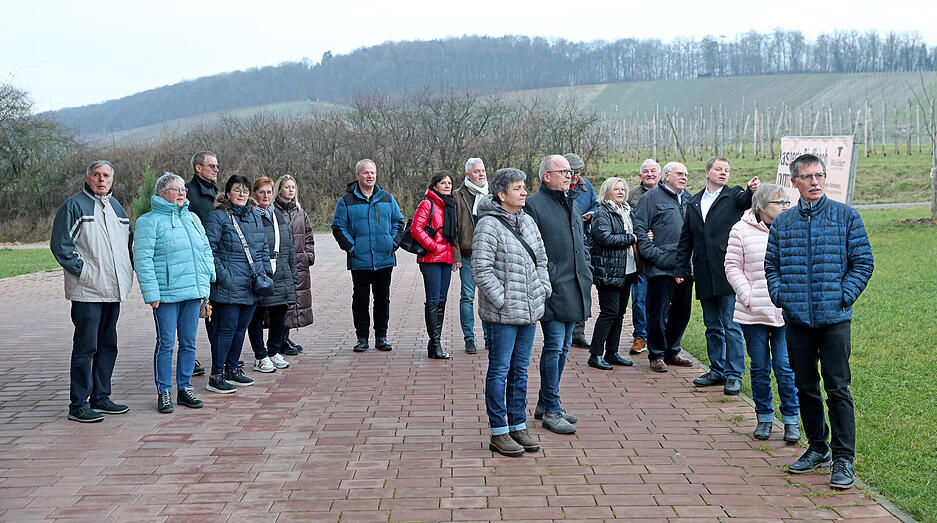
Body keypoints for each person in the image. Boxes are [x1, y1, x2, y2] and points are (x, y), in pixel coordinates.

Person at [765, 154, 873, 490]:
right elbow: (772, 267)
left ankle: (843, 459)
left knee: (837, 388)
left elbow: (863, 263)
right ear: (794, 182)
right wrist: (784, 296)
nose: (814, 182)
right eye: (807, 177)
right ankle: (817, 447)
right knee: (805, 386)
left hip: (834, 319)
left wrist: (843, 296)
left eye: (819, 176)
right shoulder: (783, 224)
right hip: (797, 320)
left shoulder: (846, 217)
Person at [472, 168, 551, 457]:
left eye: (523, 187)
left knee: (520, 371)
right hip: (502, 315)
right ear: (501, 194)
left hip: (529, 311)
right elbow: (481, 269)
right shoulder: (488, 225)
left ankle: (518, 425)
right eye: (517, 188)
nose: (523, 193)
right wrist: (502, 300)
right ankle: (498, 431)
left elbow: (541, 258)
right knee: (500, 370)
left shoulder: (528, 221)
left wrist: (542, 288)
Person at [51, 160, 134, 423]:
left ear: (112, 179)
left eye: (106, 175)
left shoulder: (117, 208)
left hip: (113, 289)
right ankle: (78, 404)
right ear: (88, 178)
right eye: (96, 175)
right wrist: (84, 272)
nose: (101, 179)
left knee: (108, 345)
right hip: (88, 290)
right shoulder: (74, 205)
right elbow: (61, 245)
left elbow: (126, 245)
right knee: (86, 346)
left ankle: (101, 397)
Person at [675, 157, 759, 395]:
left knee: (731, 325)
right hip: (703, 272)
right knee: (712, 325)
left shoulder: (733, 196)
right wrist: (680, 268)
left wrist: (752, 190)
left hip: (728, 271)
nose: (724, 173)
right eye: (719, 169)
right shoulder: (693, 202)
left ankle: (734, 375)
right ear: (707, 172)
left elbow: (746, 200)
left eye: (727, 170)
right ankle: (717, 370)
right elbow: (686, 239)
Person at [133, 173, 214, 413]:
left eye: (183, 190)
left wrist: (208, 278)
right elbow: (143, 260)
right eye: (175, 189)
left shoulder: (193, 218)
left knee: (189, 343)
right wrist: (152, 293)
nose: (181, 193)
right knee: (166, 343)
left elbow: (205, 249)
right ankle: (164, 392)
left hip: (192, 292)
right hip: (166, 295)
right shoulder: (148, 221)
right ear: (161, 194)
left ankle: (185, 388)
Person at [724, 184, 800, 442]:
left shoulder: (793, 227)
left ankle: (791, 420)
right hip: (753, 312)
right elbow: (732, 266)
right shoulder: (741, 230)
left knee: (785, 366)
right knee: (759, 367)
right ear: (762, 206)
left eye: (787, 202)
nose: (785, 207)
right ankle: (764, 417)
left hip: (784, 312)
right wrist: (749, 296)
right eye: (780, 203)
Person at [524, 154, 592, 435]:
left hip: (575, 285)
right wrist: (547, 276)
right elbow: (531, 249)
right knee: (554, 346)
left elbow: (580, 243)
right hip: (551, 286)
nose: (568, 175)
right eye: (562, 171)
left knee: (564, 346)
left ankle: (546, 402)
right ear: (546, 176)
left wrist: (586, 268)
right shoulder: (533, 205)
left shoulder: (572, 203)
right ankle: (551, 410)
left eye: (570, 171)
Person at [203, 175, 272, 393]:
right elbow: (209, 251)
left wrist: (264, 273)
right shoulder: (217, 217)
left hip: (251, 284)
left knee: (241, 329)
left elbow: (262, 248)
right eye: (236, 190)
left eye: (245, 190)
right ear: (228, 192)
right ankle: (216, 375)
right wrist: (225, 277)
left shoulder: (254, 216)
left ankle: (232, 369)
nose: (241, 194)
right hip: (228, 285)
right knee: (226, 330)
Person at [331, 159, 405, 352]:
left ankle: (381, 337)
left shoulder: (387, 198)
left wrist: (393, 243)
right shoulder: (346, 200)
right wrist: (352, 248)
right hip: (360, 260)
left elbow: (399, 221)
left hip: (384, 258)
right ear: (357, 176)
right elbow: (338, 227)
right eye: (366, 173)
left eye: (372, 172)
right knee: (361, 299)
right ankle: (362, 338)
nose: (370, 176)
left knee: (382, 299)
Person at [633, 161, 695, 373]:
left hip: (686, 265)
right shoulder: (650, 198)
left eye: (685, 174)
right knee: (657, 312)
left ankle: (672, 350)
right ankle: (657, 354)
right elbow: (639, 229)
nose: (684, 177)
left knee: (682, 312)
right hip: (661, 266)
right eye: (679, 173)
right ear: (666, 176)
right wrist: (652, 254)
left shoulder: (689, 199)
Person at [247, 177, 297, 373]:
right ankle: (260, 356)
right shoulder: (251, 216)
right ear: (254, 195)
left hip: (281, 271)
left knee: (280, 313)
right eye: (261, 192)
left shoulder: (278, 215)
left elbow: (289, 245)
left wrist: (292, 272)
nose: (266, 196)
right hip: (261, 272)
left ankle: (274, 351)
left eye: (269, 192)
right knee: (257, 316)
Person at [587, 177, 638, 370]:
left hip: (628, 270)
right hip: (608, 271)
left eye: (623, 189)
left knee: (620, 313)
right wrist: (631, 238)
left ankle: (612, 352)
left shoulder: (627, 212)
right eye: (616, 189)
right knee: (609, 312)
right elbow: (605, 238)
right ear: (607, 191)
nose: (620, 192)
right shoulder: (602, 213)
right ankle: (595, 354)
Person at [411, 171, 460, 359]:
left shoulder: (450, 205)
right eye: (443, 183)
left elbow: (453, 234)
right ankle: (435, 343)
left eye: (449, 183)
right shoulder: (427, 204)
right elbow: (416, 229)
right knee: (433, 300)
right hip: (431, 259)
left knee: (442, 300)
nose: (447, 186)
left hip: (446, 259)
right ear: (435, 186)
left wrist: (455, 256)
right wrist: (433, 246)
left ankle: (435, 344)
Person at [185, 151, 220, 377]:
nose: (216, 170)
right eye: (212, 166)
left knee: (212, 310)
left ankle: (219, 353)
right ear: (198, 168)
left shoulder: (219, 192)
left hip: (215, 259)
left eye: (217, 166)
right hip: (193, 262)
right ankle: (189, 357)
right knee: (190, 312)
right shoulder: (186, 193)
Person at [274, 175, 315, 355]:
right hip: (281, 265)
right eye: (287, 187)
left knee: (295, 300)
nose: (291, 190)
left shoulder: (300, 211)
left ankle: (286, 337)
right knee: (283, 303)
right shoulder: (273, 211)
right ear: (279, 189)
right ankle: (279, 340)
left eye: (293, 187)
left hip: (299, 264)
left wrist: (308, 256)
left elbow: (308, 236)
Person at [454, 158, 490, 354]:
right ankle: (469, 338)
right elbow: (453, 228)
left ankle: (488, 338)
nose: (481, 174)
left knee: (488, 297)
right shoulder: (457, 196)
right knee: (467, 297)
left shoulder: (492, 195)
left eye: (483, 170)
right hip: (468, 254)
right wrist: (456, 255)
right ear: (468, 175)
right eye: (477, 171)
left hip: (489, 255)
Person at [626, 159, 662, 355]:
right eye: (645, 171)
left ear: (661, 174)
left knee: (663, 300)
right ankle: (640, 335)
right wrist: (639, 234)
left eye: (653, 171)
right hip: (640, 256)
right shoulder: (631, 196)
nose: (649, 174)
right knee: (639, 298)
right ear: (640, 175)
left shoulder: (669, 194)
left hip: (663, 256)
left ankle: (661, 338)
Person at [564, 153, 599, 348]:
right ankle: (564, 332)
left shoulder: (586, 187)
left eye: (578, 173)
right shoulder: (560, 189)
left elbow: (595, 204)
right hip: (565, 244)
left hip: (584, 241)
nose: (576, 177)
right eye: (572, 173)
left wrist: (591, 215)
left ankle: (579, 332)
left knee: (584, 286)